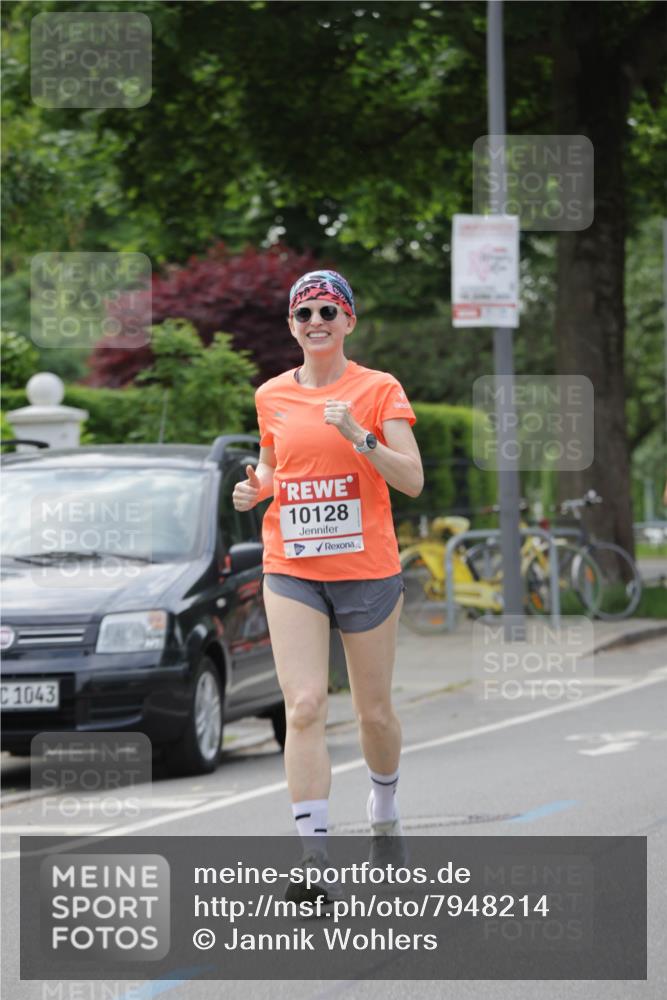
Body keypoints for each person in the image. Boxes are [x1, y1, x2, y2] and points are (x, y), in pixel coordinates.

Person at [232, 269, 423, 899]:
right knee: (305, 705)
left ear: (348, 323)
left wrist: (358, 435)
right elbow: (272, 466)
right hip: (292, 566)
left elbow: (412, 480)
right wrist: (253, 487)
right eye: (304, 313)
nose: (316, 322)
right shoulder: (271, 396)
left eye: (328, 312)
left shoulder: (378, 389)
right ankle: (314, 860)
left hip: (367, 569)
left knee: (373, 712)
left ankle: (385, 811)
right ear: (291, 325)